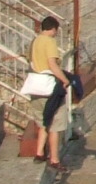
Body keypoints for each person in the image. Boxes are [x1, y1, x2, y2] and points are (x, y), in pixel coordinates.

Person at [30, 16, 72, 168]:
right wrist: (65, 80)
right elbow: (52, 64)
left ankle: (39, 152)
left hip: (36, 86)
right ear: (54, 29)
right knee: (54, 125)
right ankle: (54, 159)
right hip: (49, 87)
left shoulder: (36, 41)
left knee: (43, 122)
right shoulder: (50, 42)